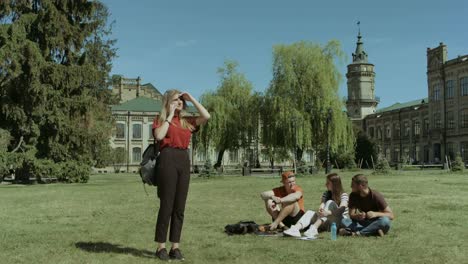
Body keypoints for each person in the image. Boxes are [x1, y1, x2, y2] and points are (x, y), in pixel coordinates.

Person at [153, 90, 210, 261]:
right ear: (168, 102)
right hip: (168, 158)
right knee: (167, 205)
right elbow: (159, 136)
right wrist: (169, 115)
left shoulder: (186, 122)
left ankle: (175, 247)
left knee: (179, 207)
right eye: (175, 99)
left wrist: (191, 98)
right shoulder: (161, 120)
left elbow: (206, 116)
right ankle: (160, 247)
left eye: (180, 100)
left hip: (184, 160)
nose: (179, 102)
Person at [283, 173, 349, 238]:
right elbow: (322, 204)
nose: (325, 184)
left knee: (330, 202)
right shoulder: (326, 193)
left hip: (338, 221)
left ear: (334, 184)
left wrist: (328, 212)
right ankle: (295, 229)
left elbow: (341, 209)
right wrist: (321, 209)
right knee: (310, 212)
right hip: (326, 221)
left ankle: (314, 228)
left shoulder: (343, 195)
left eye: (328, 183)